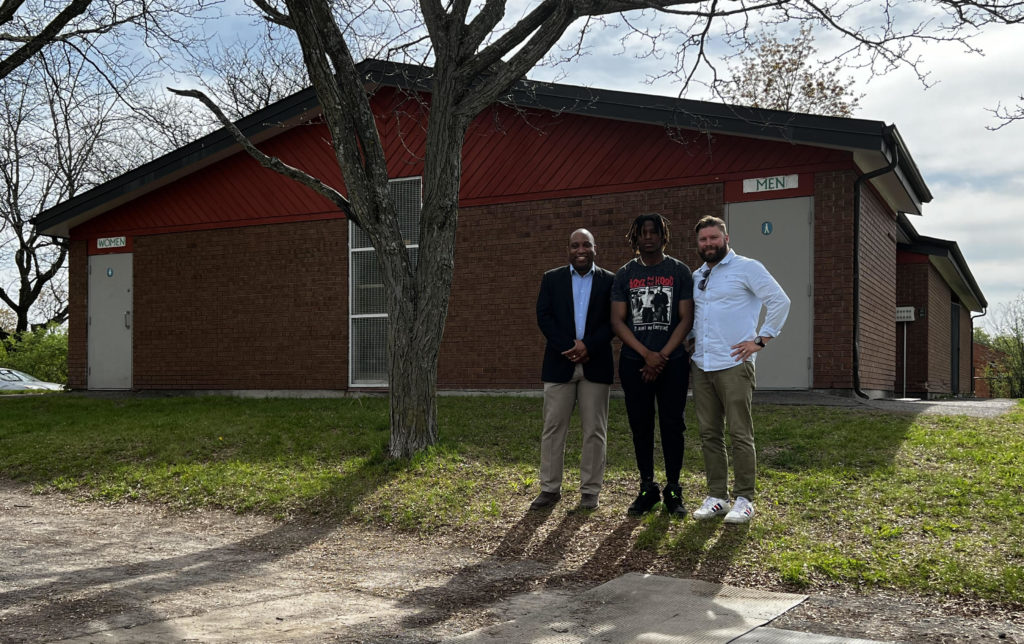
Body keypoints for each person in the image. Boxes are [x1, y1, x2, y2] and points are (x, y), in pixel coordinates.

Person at [687, 215, 790, 525]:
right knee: (709, 433)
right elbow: (699, 316)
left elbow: (779, 300)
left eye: (713, 238)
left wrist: (760, 340)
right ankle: (717, 496)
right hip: (702, 364)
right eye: (703, 240)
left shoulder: (747, 268)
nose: (708, 244)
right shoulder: (697, 276)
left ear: (726, 238)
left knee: (739, 433)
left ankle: (744, 499)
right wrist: (692, 341)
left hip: (734, 365)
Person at [611, 214, 694, 517]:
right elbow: (617, 321)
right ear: (635, 237)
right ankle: (648, 488)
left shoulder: (678, 271)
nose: (648, 237)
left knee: (673, 425)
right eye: (642, 232)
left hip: (672, 364)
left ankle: (673, 489)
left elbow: (686, 318)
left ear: (663, 236)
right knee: (640, 426)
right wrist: (646, 354)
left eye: (653, 232)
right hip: (635, 363)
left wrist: (661, 356)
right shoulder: (624, 274)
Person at [532, 228, 615, 511]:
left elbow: (614, 321)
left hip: (596, 364)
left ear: (595, 248)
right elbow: (544, 316)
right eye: (575, 245)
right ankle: (549, 488)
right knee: (553, 428)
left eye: (586, 245)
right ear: (568, 249)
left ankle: (590, 490)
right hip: (559, 363)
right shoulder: (551, 279)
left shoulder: (610, 281)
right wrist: (569, 346)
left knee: (595, 430)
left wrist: (587, 346)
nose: (581, 250)